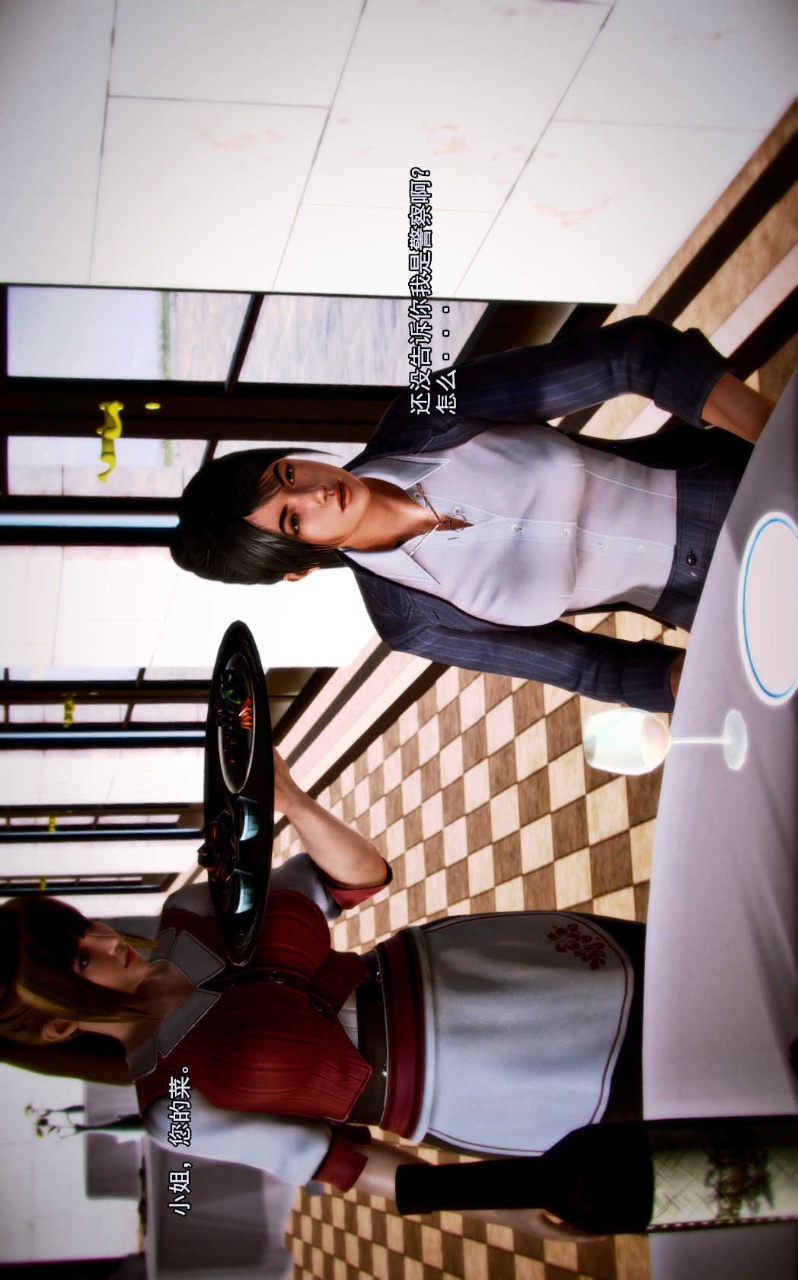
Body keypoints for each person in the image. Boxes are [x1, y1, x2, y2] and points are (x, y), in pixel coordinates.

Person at [0, 753, 645, 1240]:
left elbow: (356, 878)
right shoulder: (171, 1106)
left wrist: (294, 802)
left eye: (82, 926)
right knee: (666, 1086)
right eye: (82, 960)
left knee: (665, 966)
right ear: (58, 1026)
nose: (107, 940)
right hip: (471, 1082)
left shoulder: (189, 912)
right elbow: (341, 1160)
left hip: (473, 963)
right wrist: (502, 1205)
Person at [172, 317, 772, 711]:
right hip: (721, 609)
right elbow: (590, 669)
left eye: (287, 475)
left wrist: (778, 437)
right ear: (299, 567)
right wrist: (715, 681)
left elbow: (629, 358)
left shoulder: (423, 412)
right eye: (293, 521)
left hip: (741, 481)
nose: (315, 494)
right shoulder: (409, 622)